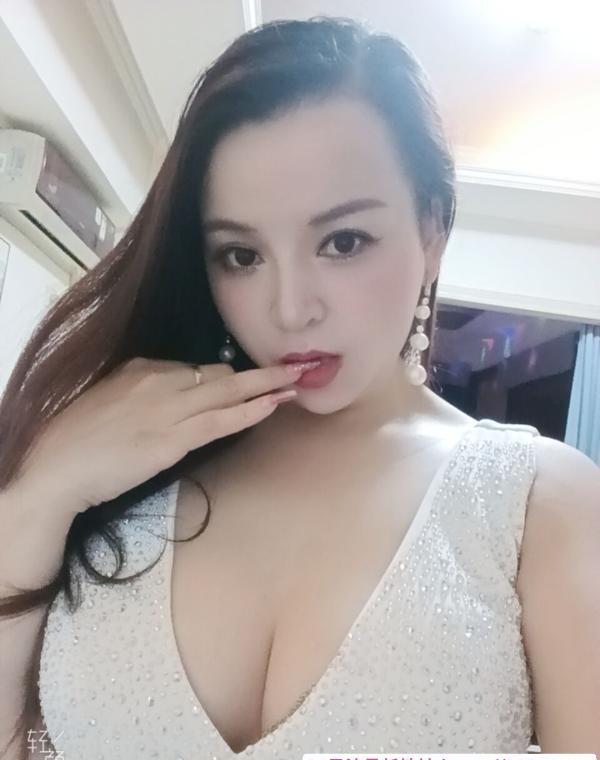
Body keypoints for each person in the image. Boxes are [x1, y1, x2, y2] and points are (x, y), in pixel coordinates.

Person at [0, 15, 599, 760]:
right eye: (241, 255)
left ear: (432, 230)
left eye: (343, 241)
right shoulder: (122, 453)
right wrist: (35, 498)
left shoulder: (539, 504)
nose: (289, 310)